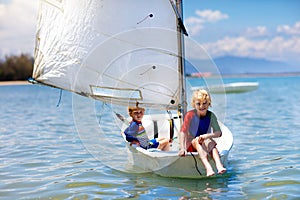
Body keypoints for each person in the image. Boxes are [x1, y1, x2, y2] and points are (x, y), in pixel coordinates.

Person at [178, 89, 226, 176]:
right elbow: (183, 132)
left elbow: (218, 133)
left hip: (205, 142)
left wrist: (206, 136)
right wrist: (182, 148)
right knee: (197, 140)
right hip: (191, 144)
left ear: (209, 103)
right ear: (194, 104)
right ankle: (208, 167)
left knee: (210, 141)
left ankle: (219, 165)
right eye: (198, 104)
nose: (201, 106)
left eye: (204, 103)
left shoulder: (211, 115)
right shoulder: (190, 115)